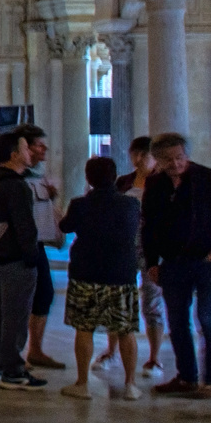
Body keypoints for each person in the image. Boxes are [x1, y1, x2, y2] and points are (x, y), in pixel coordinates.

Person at [141, 132, 211, 399]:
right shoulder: (155, 185)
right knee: (177, 321)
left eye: (179, 157)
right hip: (174, 263)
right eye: (168, 159)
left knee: (208, 319)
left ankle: (209, 380)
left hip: (209, 261)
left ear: (186, 155)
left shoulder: (209, 180)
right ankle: (186, 377)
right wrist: (152, 262)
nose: (175, 164)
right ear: (158, 160)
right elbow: (149, 226)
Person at [58, 156, 143, 400]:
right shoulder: (130, 205)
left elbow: (65, 227)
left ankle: (82, 383)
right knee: (125, 329)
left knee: (84, 328)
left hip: (87, 273)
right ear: (115, 176)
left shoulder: (80, 204)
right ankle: (130, 384)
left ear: (88, 178)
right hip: (121, 274)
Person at [0, 131, 46, 389]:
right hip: (15, 260)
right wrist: (32, 257)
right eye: (25, 149)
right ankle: (13, 371)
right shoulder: (16, 186)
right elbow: (25, 228)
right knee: (15, 317)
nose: (30, 153)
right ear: (14, 154)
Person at [98, 136, 166, 376]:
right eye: (134, 154)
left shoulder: (162, 184)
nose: (137, 160)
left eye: (143, 155)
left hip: (152, 251)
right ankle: (111, 351)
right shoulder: (124, 182)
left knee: (152, 303)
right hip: (124, 249)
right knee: (118, 301)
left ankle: (155, 358)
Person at [11, 123, 65, 370]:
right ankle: (14, 353)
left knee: (44, 294)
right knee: (21, 299)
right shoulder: (15, 176)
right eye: (39, 145)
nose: (45, 149)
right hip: (21, 246)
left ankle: (35, 349)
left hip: (37, 244)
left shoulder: (39, 173)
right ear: (25, 147)